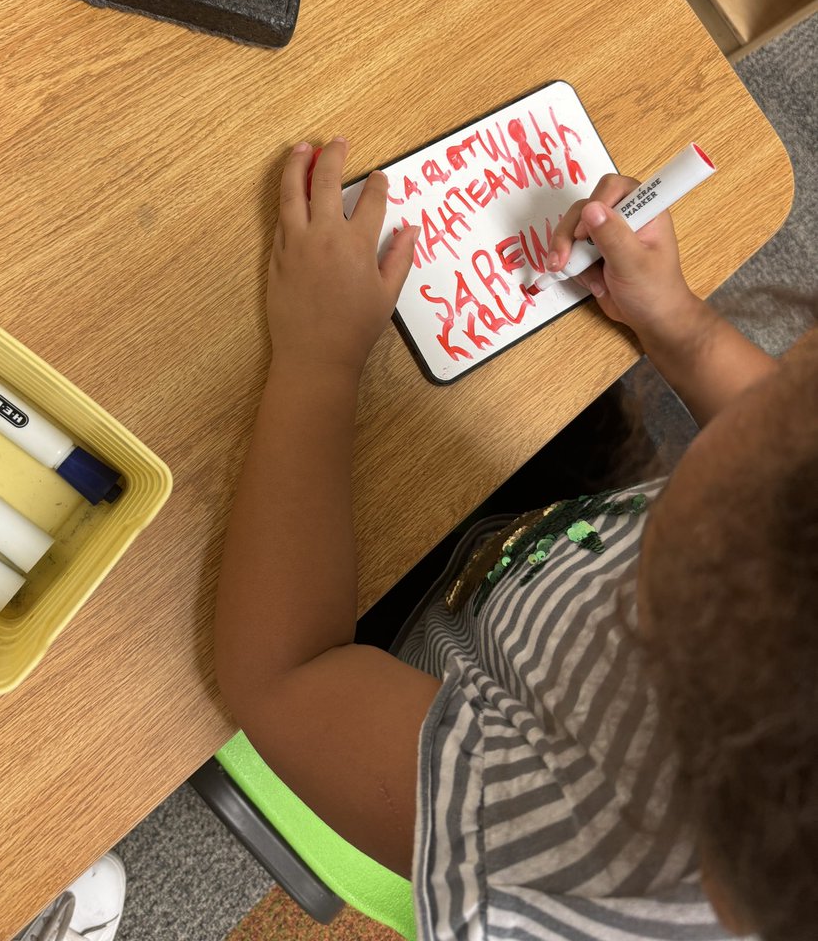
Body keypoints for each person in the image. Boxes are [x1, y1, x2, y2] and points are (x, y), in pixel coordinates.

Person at [213, 137, 817, 941]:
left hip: (383, 677)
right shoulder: (773, 568)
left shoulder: (568, 852)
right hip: (525, 564)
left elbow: (279, 674)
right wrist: (677, 321)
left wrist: (319, 357)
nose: (754, 418)